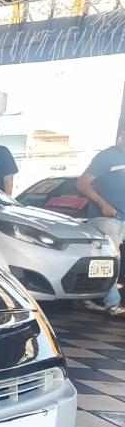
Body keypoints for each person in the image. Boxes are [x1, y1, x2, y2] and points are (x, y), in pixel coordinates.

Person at [76, 121, 125, 317]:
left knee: (104, 261)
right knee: (109, 260)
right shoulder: (107, 156)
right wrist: (103, 204)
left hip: (122, 219)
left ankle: (86, 297)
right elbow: (82, 183)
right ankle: (112, 304)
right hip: (107, 218)